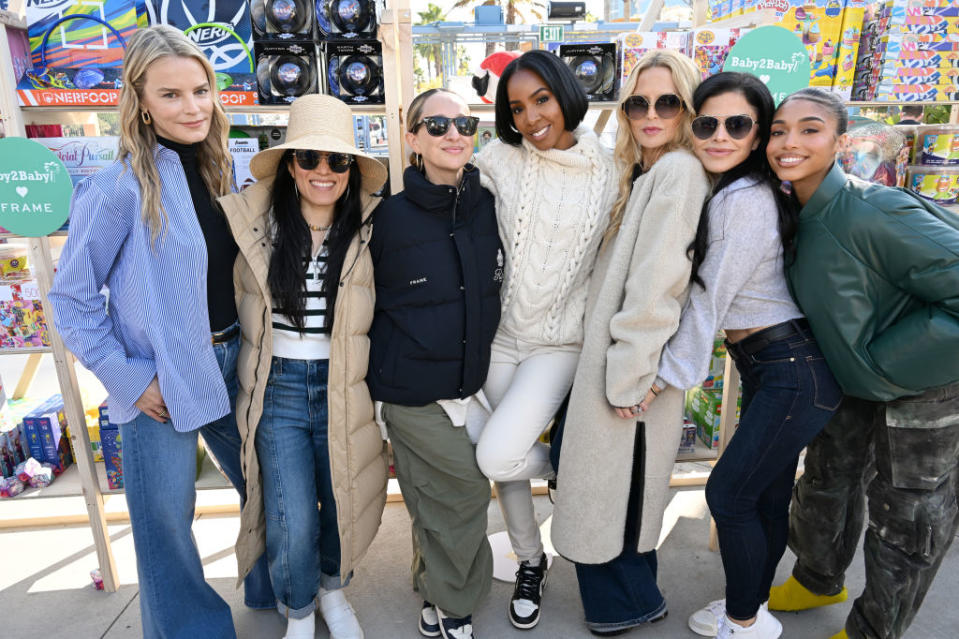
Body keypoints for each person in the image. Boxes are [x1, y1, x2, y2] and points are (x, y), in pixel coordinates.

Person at [47, 24, 272, 638]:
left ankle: (270, 587)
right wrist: (128, 377)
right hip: (157, 383)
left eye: (200, 90)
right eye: (171, 95)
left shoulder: (222, 169)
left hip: (235, 363)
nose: (192, 106)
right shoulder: (120, 186)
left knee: (268, 485)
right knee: (166, 523)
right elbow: (69, 300)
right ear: (140, 103)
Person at [765, 87, 959, 639]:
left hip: (924, 385)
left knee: (908, 516)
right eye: (779, 130)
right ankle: (817, 577)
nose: (790, 142)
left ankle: (874, 629)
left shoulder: (875, 209)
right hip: (850, 378)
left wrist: (887, 360)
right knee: (827, 480)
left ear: (840, 142)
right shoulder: (792, 212)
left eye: (810, 129)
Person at [550, 49, 710, 636]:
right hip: (614, 360)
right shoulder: (645, 171)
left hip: (628, 370)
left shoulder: (677, 172)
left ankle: (627, 606)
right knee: (615, 488)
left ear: (686, 110)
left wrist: (631, 375)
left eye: (667, 102)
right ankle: (632, 599)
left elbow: (658, 284)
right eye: (638, 102)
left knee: (614, 491)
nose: (650, 113)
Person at [218, 95, 389, 639]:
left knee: (344, 501)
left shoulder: (372, 228)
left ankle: (334, 593)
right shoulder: (252, 223)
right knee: (291, 517)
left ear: (352, 170)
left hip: (345, 384)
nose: (324, 171)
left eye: (337, 161)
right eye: (310, 158)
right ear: (291, 164)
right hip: (278, 389)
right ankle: (297, 609)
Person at [473, 48, 617, 630]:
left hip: (560, 342)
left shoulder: (610, 171)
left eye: (541, 99)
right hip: (499, 337)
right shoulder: (498, 159)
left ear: (563, 95)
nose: (531, 117)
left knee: (497, 451)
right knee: (502, 462)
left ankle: (567, 461)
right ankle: (530, 560)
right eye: (516, 107)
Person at [367, 88, 503, 639]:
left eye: (465, 123)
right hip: (410, 389)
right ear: (413, 136)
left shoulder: (487, 204)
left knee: (430, 496)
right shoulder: (386, 218)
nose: (454, 134)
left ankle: (430, 584)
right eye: (438, 123)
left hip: (470, 384)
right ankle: (456, 605)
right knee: (465, 493)